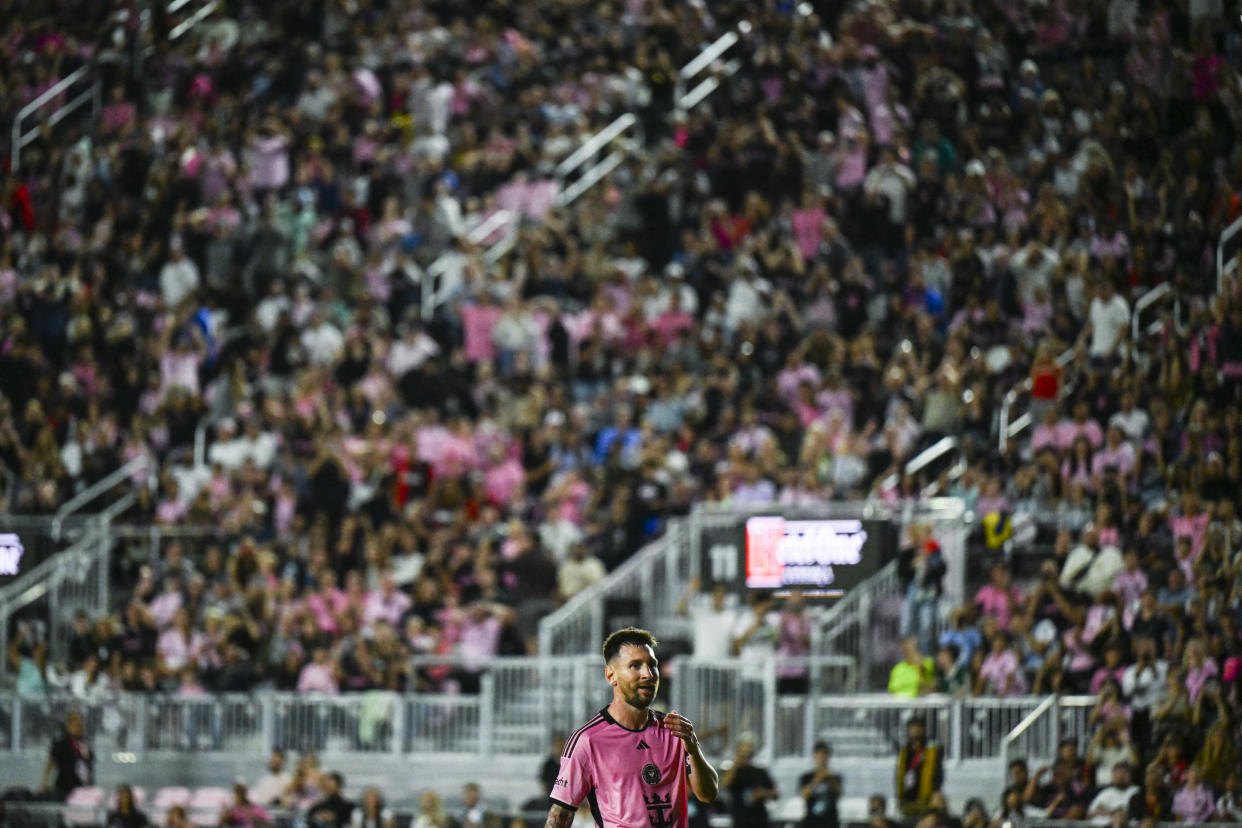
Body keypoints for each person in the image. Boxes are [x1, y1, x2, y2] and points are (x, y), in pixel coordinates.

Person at [545, 627, 718, 828]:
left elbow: (708, 794)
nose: (647, 674)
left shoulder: (674, 731)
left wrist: (694, 748)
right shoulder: (588, 740)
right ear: (611, 675)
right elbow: (560, 815)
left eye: (652, 665)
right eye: (635, 666)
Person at [720, 737, 778, 828]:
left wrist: (762, 793)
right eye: (742, 751)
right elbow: (724, 784)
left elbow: (775, 793)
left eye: (748, 751)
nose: (745, 754)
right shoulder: (732, 772)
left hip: (759, 819)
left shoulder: (760, 772)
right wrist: (736, 764)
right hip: (740, 819)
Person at [895, 717, 943, 819]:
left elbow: (938, 775)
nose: (915, 732)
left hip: (925, 798)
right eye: (912, 728)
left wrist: (934, 793)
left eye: (918, 728)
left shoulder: (931, 751)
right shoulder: (904, 752)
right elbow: (899, 775)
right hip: (907, 797)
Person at [42, 711, 93, 800]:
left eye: (80, 726)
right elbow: (51, 763)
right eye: (76, 725)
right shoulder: (61, 744)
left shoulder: (84, 743)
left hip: (82, 788)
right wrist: (45, 782)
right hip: (64, 787)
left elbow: (89, 765)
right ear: (68, 726)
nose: (78, 728)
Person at [799, 740, 841, 828]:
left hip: (830, 822)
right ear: (814, 756)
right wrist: (817, 779)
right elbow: (805, 794)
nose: (822, 757)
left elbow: (838, 793)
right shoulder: (806, 777)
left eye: (824, 753)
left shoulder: (835, 777)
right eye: (819, 754)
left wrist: (829, 777)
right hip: (812, 822)